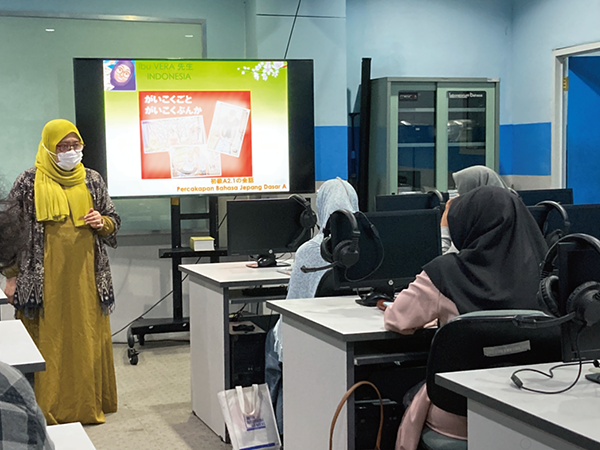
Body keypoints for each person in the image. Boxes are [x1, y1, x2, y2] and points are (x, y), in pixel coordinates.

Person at [382, 186, 548, 450]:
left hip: (458, 413)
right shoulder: (550, 279)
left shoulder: (446, 273)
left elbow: (396, 320)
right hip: (535, 412)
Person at [2, 118, 120, 425]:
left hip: (85, 279)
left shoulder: (92, 179)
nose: (70, 151)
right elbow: (7, 233)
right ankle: (39, 410)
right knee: (46, 342)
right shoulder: (29, 181)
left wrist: (101, 222)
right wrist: (11, 275)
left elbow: (112, 221)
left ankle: (84, 406)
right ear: (49, 147)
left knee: (85, 338)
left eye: (75, 145)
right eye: (63, 146)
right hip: (41, 282)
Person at [265, 177, 359, 434]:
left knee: (273, 337)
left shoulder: (310, 250)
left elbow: (293, 306)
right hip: (353, 332)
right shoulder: (370, 247)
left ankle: (279, 424)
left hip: (313, 336)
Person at [441, 165, 510, 254]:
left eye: (459, 190)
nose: (457, 196)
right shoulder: (513, 221)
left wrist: (444, 225)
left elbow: (442, 262)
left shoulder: (476, 228)